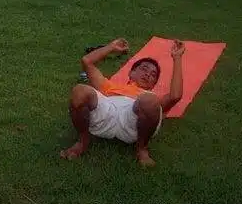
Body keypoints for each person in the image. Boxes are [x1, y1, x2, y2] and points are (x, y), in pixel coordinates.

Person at [60, 38, 186, 167]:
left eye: (153, 75)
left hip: (132, 123)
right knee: (79, 90)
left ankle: (141, 149)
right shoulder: (108, 86)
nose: (148, 74)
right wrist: (111, 47)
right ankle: (82, 141)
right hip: (106, 114)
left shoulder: (151, 97)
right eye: (144, 69)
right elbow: (87, 61)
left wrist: (177, 58)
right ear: (131, 73)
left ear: (153, 85)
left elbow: (175, 96)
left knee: (149, 100)